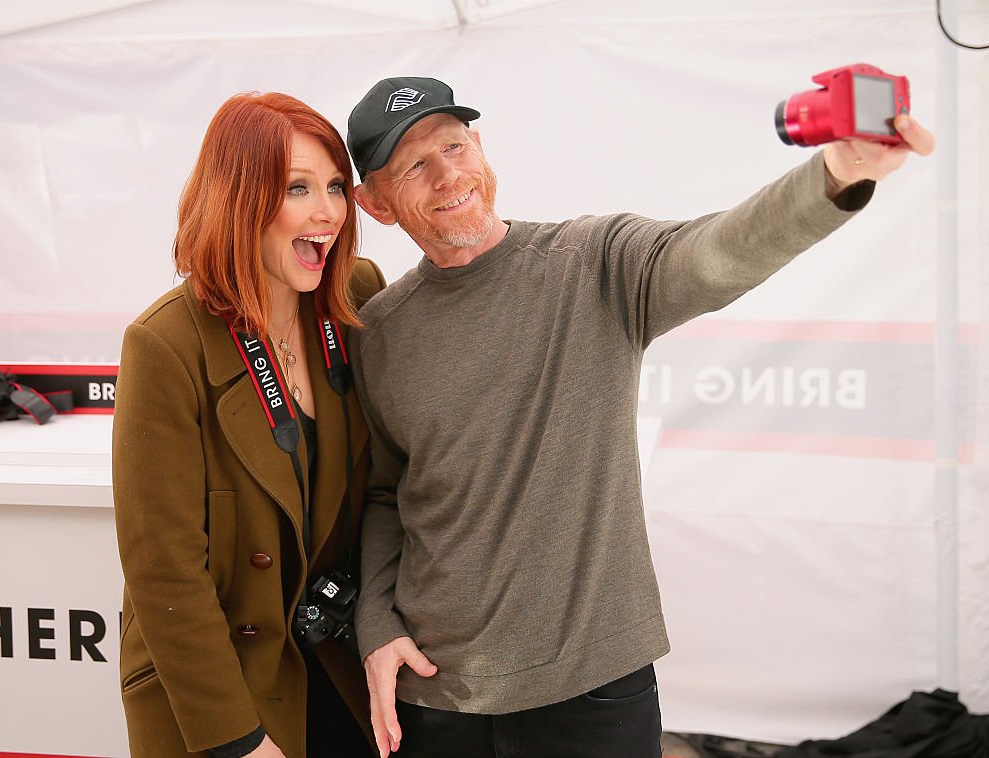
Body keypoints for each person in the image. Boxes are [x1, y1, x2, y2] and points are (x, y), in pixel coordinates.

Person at [343, 76, 936, 758]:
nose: (448, 174)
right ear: (376, 203)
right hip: (435, 694)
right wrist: (376, 624)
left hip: (593, 688)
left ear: (481, 147)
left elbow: (717, 251)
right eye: (415, 164)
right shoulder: (380, 331)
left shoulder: (593, 264)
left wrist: (834, 174)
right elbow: (388, 494)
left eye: (454, 145)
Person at [112, 91, 385, 758]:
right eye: (297, 188)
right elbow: (163, 569)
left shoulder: (357, 292)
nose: (327, 212)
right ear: (240, 199)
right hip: (217, 685)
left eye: (333, 187)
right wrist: (237, 741)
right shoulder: (164, 343)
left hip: (334, 654)